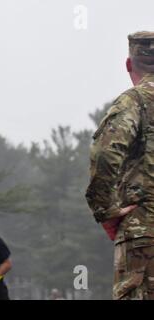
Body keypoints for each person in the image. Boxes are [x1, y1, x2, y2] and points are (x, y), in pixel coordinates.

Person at [86, 31, 154, 300]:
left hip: (145, 231)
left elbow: (106, 154)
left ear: (129, 65)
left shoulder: (134, 101)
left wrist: (105, 208)